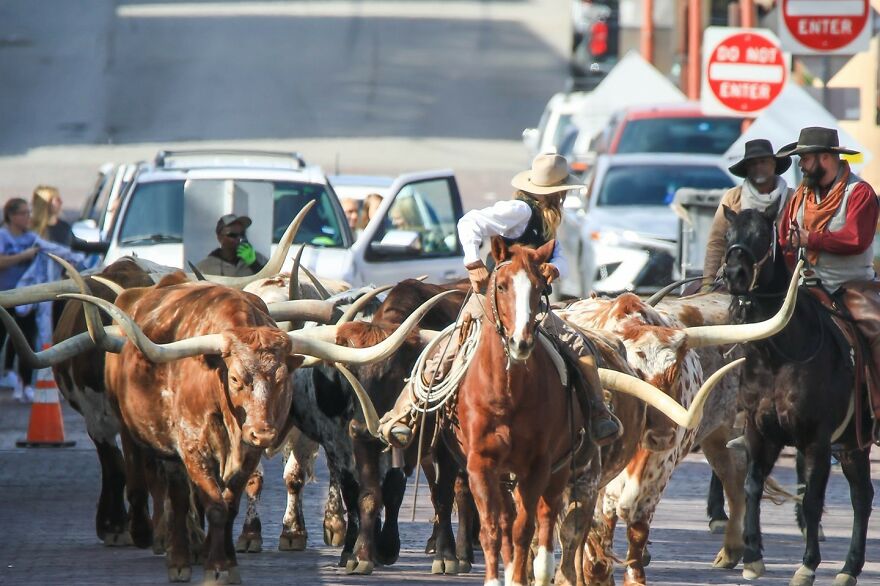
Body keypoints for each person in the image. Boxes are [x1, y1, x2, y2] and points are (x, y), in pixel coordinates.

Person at [377, 153, 622, 448]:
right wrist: (473, 263)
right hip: (494, 299)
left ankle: (597, 412)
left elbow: (559, 256)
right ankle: (403, 414)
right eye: (563, 191)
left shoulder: (547, 219)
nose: (564, 196)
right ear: (556, 192)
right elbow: (470, 223)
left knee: (577, 344)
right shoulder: (519, 210)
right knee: (451, 346)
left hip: (531, 306)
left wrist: (554, 268)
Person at [775, 127, 880, 438]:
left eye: (805, 159)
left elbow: (856, 239)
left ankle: (877, 408)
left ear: (826, 158)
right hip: (806, 284)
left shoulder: (859, 192)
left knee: (877, 329)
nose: (802, 166)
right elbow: (784, 238)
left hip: (852, 285)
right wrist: (791, 244)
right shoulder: (799, 197)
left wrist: (812, 238)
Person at [702, 139, 793, 291]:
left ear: (774, 164)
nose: (759, 167)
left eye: (763, 162)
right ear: (746, 168)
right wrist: (707, 282)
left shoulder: (792, 198)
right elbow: (716, 242)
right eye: (753, 164)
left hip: (785, 279)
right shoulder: (733, 197)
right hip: (735, 274)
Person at [0, 199, 40, 401]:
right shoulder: (3, 236)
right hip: (3, 297)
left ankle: (25, 384)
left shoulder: (32, 237)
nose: (27, 217)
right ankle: (6, 374)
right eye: (23, 213)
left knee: (27, 340)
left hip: (26, 297)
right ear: (11, 216)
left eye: (28, 212)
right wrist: (23, 255)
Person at [195, 214, 268, 277]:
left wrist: (254, 264)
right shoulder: (204, 267)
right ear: (220, 238)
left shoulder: (259, 259)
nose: (239, 238)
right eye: (233, 235)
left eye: (242, 234)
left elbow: (273, 283)